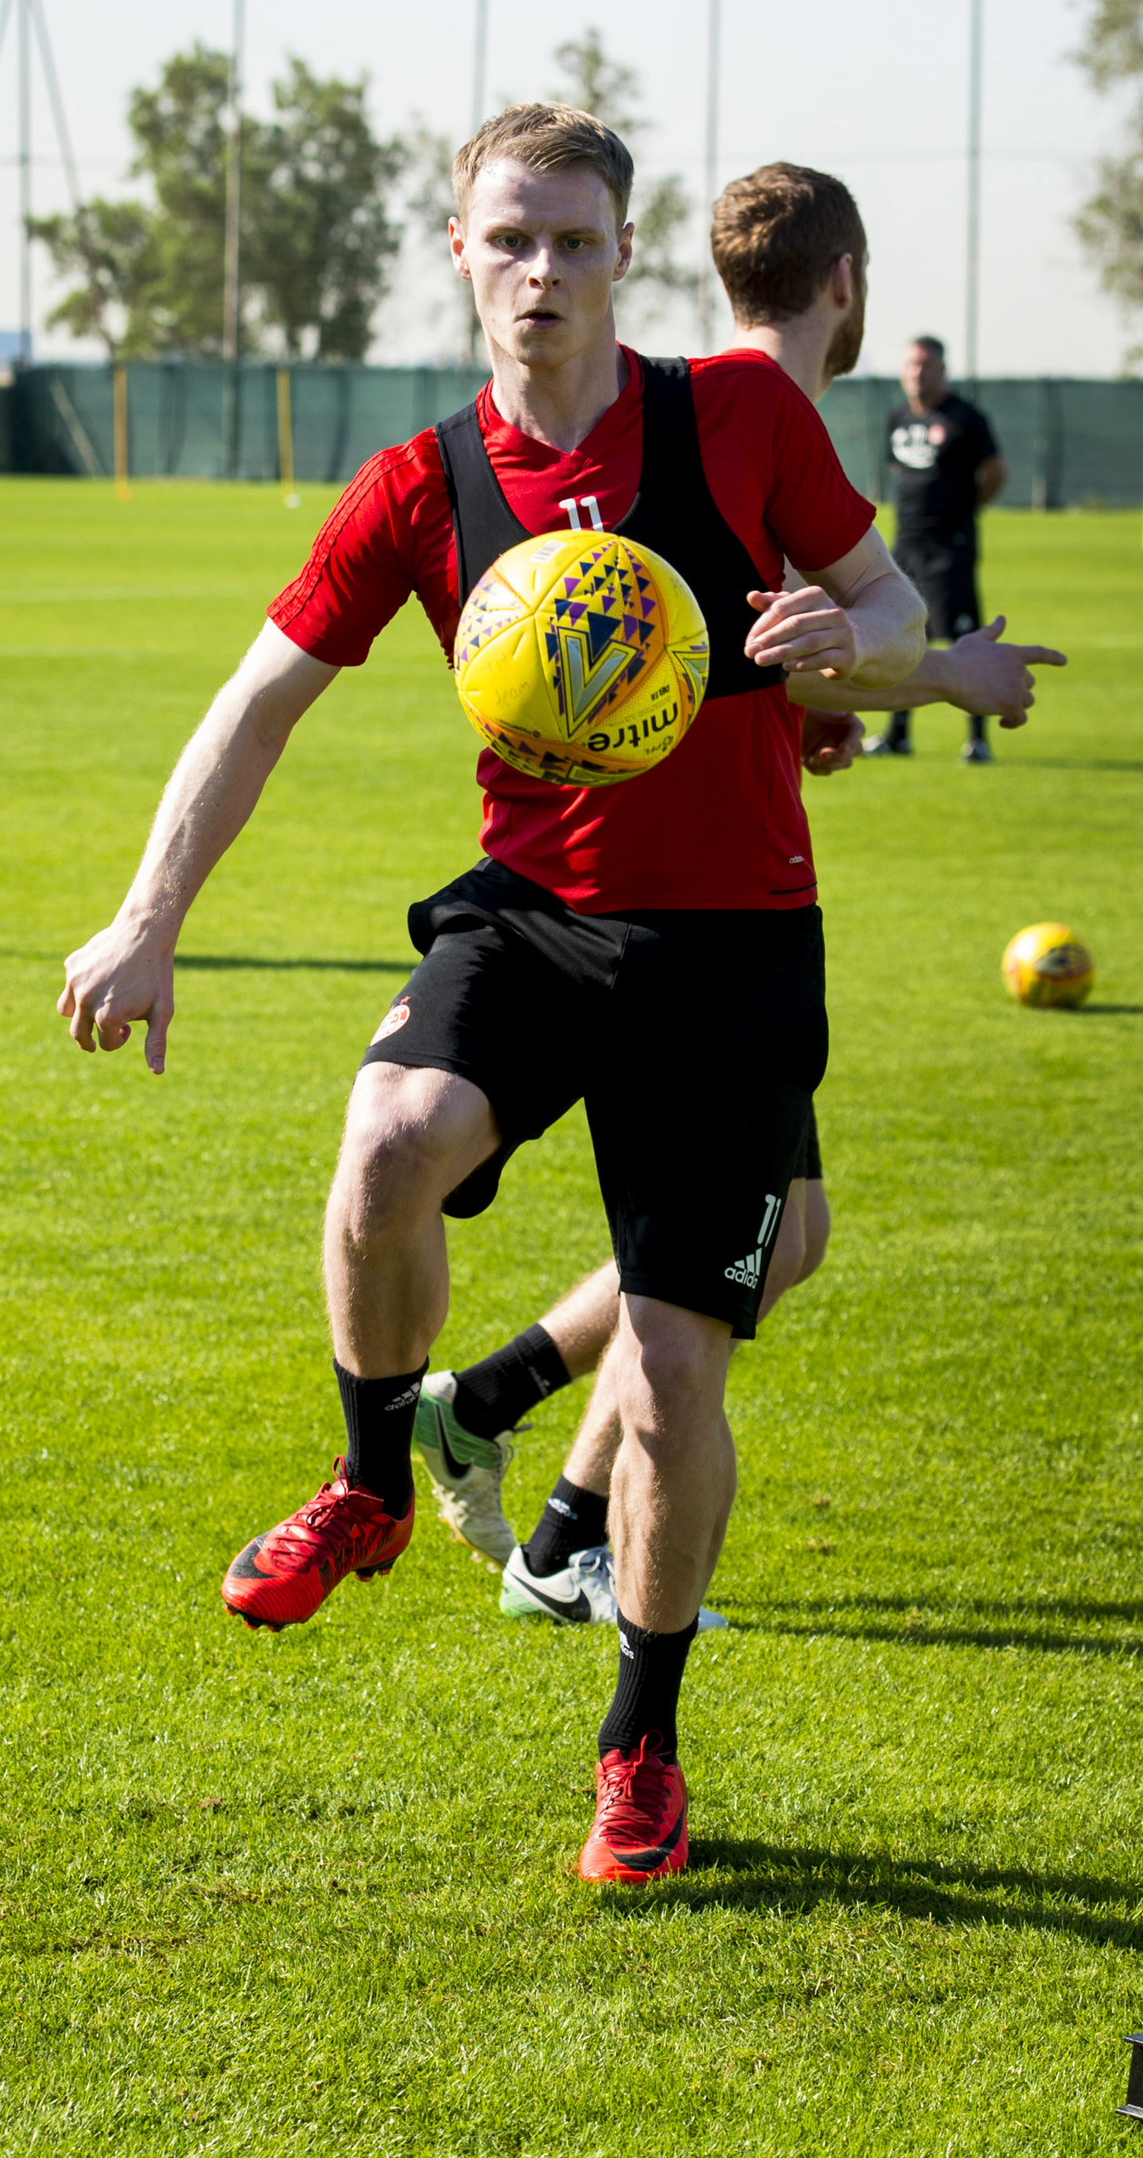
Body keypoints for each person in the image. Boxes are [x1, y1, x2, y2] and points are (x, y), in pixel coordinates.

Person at [56, 105, 926, 1886]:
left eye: (577, 240)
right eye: (511, 238)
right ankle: (375, 1477)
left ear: (625, 255)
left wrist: (862, 646)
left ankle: (640, 1745)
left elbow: (891, 598)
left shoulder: (736, 415)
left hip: (730, 944)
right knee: (384, 1137)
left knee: (677, 1370)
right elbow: (256, 702)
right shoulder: (418, 482)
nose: (543, 270)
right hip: (533, 917)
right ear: (461, 252)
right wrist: (147, 920)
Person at [412, 164, 1067, 1628]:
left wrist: (807, 711)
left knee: (779, 1240)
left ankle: (526, 1459)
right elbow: (737, 650)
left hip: (730, 883)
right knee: (720, 1263)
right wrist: (959, 671)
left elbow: (719, 665)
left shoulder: (711, 403)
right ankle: (545, 1493)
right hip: (697, 914)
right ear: (849, 282)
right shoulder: (735, 415)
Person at [868, 335, 1008, 762]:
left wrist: (967, 510)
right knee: (905, 635)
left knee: (964, 635)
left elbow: (996, 472)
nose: (917, 372)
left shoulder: (966, 418)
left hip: (951, 547)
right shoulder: (896, 418)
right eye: (911, 365)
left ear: (943, 370)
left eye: (926, 365)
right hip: (906, 544)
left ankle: (978, 738)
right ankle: (898, 734)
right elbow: (900, 470)